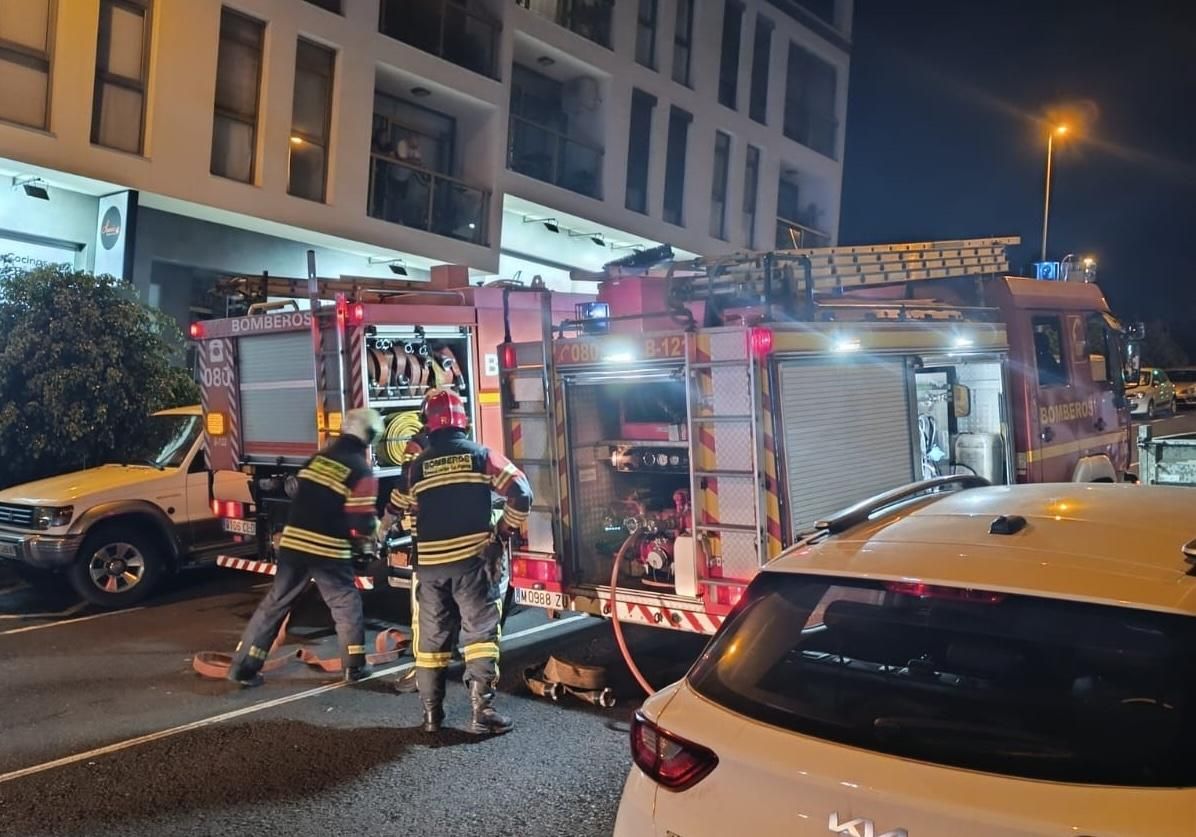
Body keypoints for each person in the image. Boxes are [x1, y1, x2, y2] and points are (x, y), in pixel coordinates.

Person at [381, 389, 531, 735]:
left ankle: (432, 717)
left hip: (430, 567)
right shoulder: (481, 456)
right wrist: (503, 531)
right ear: (463, 420)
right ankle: (482, 713)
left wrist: (381, 533)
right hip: (473, 563)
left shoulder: (417, 465)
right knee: (479, 635)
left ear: (427, 424)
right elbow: (521, 491)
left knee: (431, 643)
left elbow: (397, 504)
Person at [227, 409, 384, 687]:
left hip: (293, 544)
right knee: (345, 604)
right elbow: (361, 521)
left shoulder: (318, 459)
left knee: (275, 603)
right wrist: (372, 536)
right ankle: (354, 667)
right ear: (369, 437)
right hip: (328, 549)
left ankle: (243, 668)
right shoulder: (360, 470)